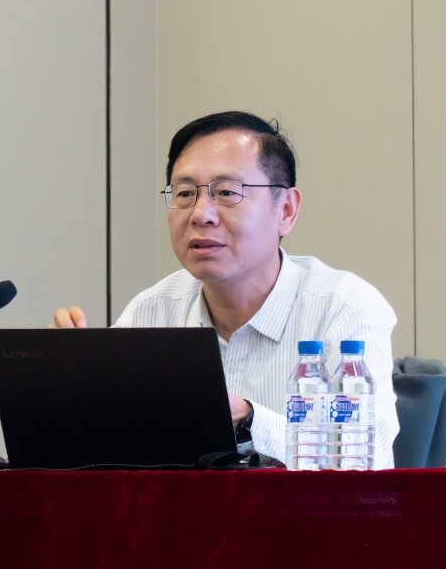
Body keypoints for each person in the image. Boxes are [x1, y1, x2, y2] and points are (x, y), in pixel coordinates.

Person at [54, 111, 399, 468]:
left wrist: (247, 419)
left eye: (227, 192)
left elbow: (367, 464)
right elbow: (108, 454)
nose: (201, 214)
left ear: (286, 210)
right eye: (185, 193)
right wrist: (68, 385)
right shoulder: (152, 310)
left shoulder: (344, 308)